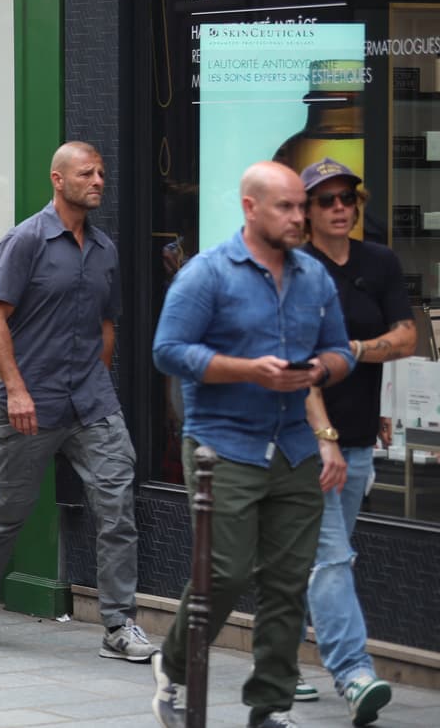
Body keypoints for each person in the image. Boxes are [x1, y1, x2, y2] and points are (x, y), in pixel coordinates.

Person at [150, 161, 354, 728]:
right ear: (250, 208)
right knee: (225, 573)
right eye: (286, 207)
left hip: (294, 449)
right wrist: (248, 371)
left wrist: (319, 369)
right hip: (223, 447)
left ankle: (269, 707)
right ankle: (173, 668)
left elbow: (343, 350)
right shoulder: (207, 274)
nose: (299, 216)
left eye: (300, 206)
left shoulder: (313, 276)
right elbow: (168, 351)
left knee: (287, 586)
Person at [0, 142, 154, 663]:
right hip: (29, 402)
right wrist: (14, 389)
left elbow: (107, 324)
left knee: (117, 506)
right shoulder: (27, 241)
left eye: (103, 173)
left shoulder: (104, 248)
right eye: (88, 173)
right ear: (58, 180)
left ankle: (118, 622)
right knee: (10, 509)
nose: (99, 180)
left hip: (91, 403)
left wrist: (95, 381)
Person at [296, 158, 411, 724]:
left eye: (348, 198)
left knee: (312, 557)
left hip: (361, 434)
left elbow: (408, 336)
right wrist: (325, 439)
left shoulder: (379, 262)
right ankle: (354, 673)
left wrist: (356, 353)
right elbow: (297, 365)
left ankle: (277, 659)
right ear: (308, 209)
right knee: (332, 556)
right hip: (307, 439)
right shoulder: (294, 268)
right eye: (326, 200)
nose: (339, 208)